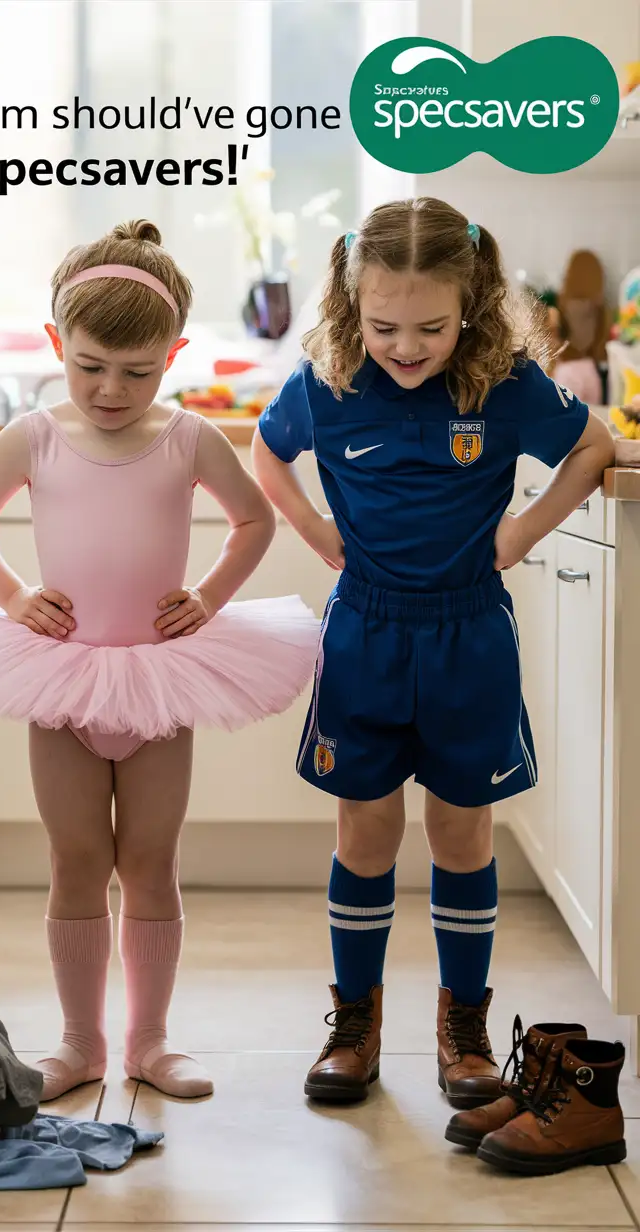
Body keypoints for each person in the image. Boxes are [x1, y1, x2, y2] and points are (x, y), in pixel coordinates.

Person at [0, 219, 319, 1103]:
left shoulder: (190, 438)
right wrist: (15, 596)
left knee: (152, 861)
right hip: (62, 678)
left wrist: (207, 595)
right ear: (58, 344)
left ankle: (152, 1042)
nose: (110, 389)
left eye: (137, 370)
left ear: (172, 354)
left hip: (161, 681)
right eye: (89, 365)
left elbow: (255, 519)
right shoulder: (33, 436)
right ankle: (82, 1041)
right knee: (75, 859)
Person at [252, 197, 614, 1109]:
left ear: (474, 307)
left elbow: (593, 446)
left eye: (431, 327)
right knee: (365, 830)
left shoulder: (506, 382)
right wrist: (313, 529)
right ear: (350, 307)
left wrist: (524, 531)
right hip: (365, 631)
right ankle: (356, 1024)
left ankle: (465, 1031)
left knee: (461, 830)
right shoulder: (328, 379)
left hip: (469, 634)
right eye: (383, 326)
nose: (405, 347)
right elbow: (266, 451)